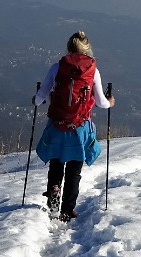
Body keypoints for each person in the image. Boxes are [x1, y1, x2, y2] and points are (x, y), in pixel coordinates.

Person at [33, 30, 113, 222]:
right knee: (74, 171)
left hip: (57, 124)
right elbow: (102, 102)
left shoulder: (56, 67)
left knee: (56, 164)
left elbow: (39, 99)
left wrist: (36, 99)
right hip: (80, 128)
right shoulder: (93, 71)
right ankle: (67, 211)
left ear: (69, 48)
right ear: (87, 51)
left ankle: (53, 193)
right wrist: (111, 101)